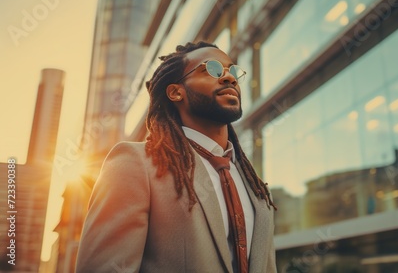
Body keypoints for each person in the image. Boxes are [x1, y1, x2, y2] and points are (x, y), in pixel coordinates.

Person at [76, 41, 277, 273]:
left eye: (232, 71)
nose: (228, 78)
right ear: (175, 92)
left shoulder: (256, 188)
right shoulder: (133, 164)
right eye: (211, 69)